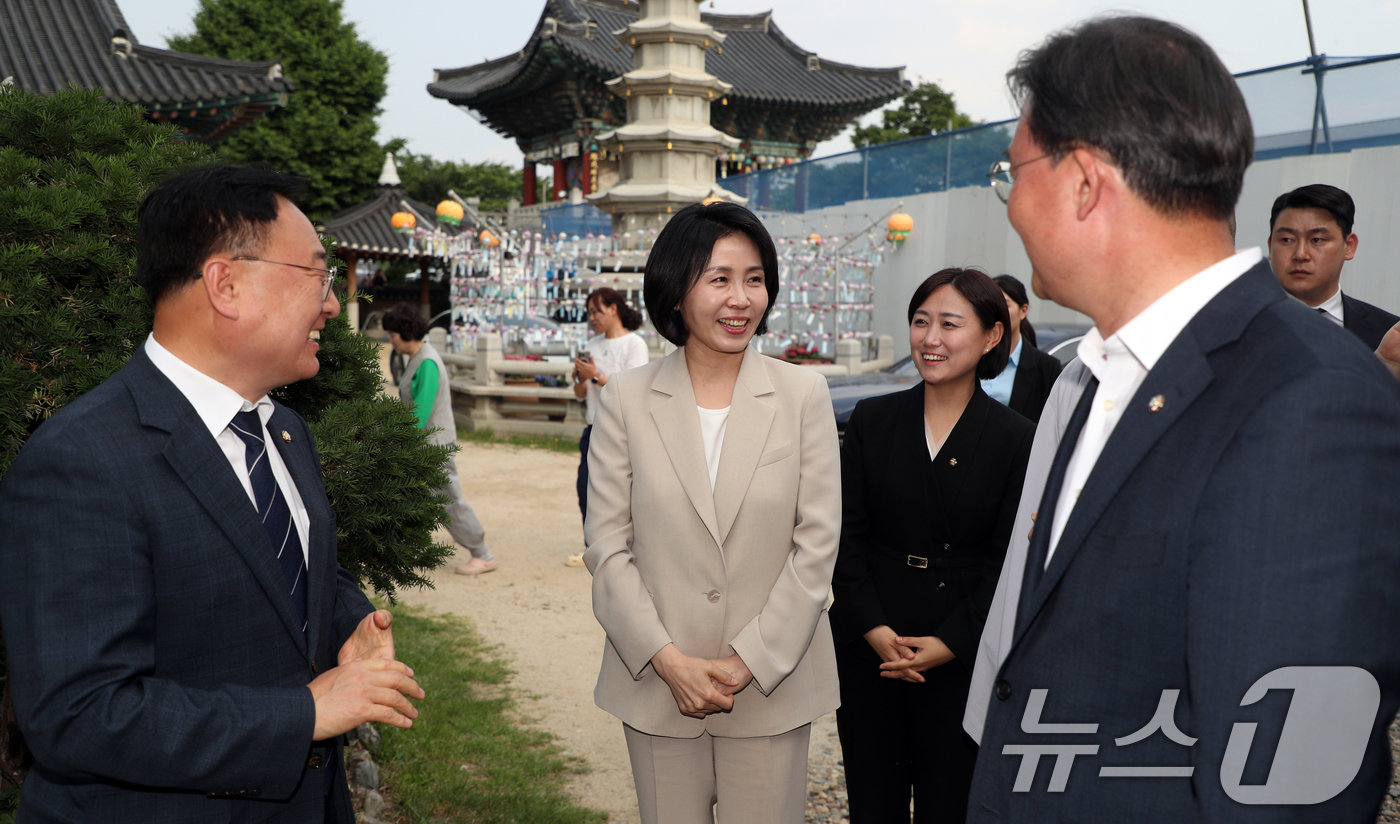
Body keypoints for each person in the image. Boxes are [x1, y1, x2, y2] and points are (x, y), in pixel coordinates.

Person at [971, 17, 1400, 822]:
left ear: (1084, 182)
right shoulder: (1106, 373)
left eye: (1012, 172)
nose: (1010, 203)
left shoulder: (1307, 402)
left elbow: (1287, 782)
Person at [0, 164, 424, 822]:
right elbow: (78, 714)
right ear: (225, 283)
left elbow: (293, 573)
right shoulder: (80, 460)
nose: (333, 303)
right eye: (316, 273)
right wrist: (306, 713)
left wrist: (349, 626)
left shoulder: (283, 431)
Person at [584, 201, 841, 824]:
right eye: (719, 278)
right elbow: (608, 547)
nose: (741, 299)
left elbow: (817, 545)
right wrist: (666, 658)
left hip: (772, 684)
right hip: (657, 684)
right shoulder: (626, 399)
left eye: (754, 279)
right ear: (676, 291)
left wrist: (748, 659)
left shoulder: (802, 394)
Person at [833, 268, 1033, 822]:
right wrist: (872, 627)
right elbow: (844, 536)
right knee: (874, 801)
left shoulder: (1018, 437)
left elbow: (1010, 559)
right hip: (873, 643)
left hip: (964, 648)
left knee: (953, 804)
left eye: (950, 323)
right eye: (921, 322)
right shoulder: (874, 420)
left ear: (992, 336)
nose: (931, 339)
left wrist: (952, 641)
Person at [381, 303, 498, 576]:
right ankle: (403, 551)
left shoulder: (428, 362)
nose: (390, 339)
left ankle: (483, 554)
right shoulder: (420, 358)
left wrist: (398, 441)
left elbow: (420, 413)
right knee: (411, 498)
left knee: (449, 501)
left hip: (431, 446)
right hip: (424, 444)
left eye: (392, 334)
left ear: (405, 333)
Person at [566, 287, 650, 568]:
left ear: (614, 309)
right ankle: (592, 548)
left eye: (596, 311)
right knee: (585, 490)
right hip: (593, 428)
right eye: (589, 313)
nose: (592, 318)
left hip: (625, 431)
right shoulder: (593, 344)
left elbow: (635, 390)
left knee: (626, 494)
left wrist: (598, 375)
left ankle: (630, 547)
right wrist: (580, 377)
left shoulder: (634, 344)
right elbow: (580, 394)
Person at [1266, 183, 1399, 349]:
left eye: (1317, 240)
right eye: (1287, 240)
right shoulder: (1234, 324)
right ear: (1271, 246)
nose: (1300, 254)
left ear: (1349, 246)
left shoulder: (1389, 334)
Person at [980, 274, 1063, 422]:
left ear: (1023, 311)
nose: (997, 312)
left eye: (1004, 304)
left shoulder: (1046, 368)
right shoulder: (973, 357)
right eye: (991, 305)